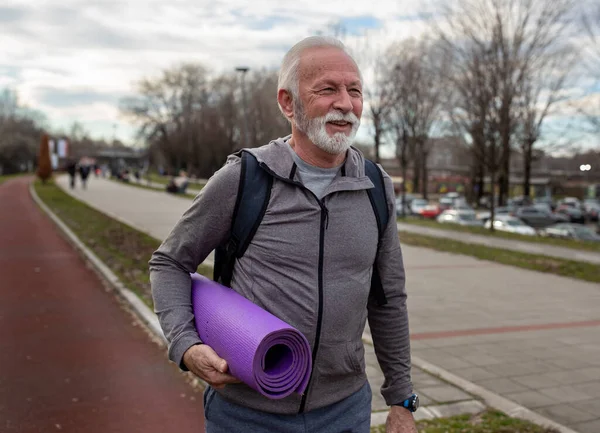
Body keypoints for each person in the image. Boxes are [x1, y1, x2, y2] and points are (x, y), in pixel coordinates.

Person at [149, 36, 417, 433]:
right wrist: (186, 345)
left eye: (354, 90)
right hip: (246, 413)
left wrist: (401, 399)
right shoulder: (243, 179)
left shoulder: (376, 187)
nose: (345, 102)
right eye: (328, 89)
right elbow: (169, 262)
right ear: (288, 103)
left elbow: (388, 297)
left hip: (345, 411)